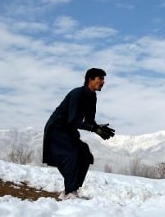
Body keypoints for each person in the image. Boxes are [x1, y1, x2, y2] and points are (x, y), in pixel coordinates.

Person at [42, 68, 115, 200]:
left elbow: (89, 121)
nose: (103, 82)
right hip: (57, 128)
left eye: (104, 79)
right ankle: (70, 191)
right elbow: (74, 120)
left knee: (85, 154)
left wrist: (98, 128)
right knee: (72, 154)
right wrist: (94, 128)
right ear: (90, 80)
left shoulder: (92, 97)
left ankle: (71, 189)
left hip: (69, 129)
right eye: (100, 78)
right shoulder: (78, 94)